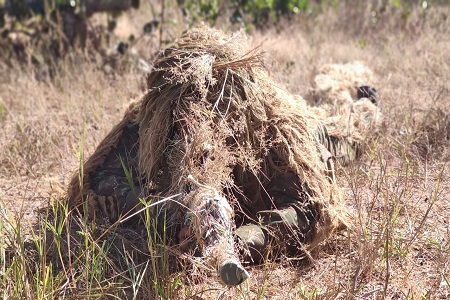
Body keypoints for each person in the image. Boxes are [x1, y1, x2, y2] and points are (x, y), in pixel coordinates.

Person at [67, 27, 381, 286]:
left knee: (346, 134)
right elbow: (98, 181)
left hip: (313, 137)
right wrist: (171, 220)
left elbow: (305, 210)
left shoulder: (272, 132)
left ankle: (368, 105)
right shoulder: (153, 120)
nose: (192, 123)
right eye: (182, 112)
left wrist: (239, 243)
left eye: (209, 110)